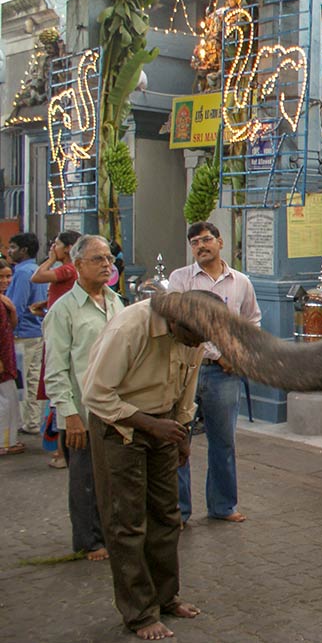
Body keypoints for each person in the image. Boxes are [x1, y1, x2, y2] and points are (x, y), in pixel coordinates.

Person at [82, 292, 218, 640]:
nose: (197, 345)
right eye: (192, 339)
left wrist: (182, 431)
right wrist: (149, 424)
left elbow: (186, 387)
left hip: (165, 424)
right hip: (119, 425)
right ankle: (140, 613)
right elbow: (96, 394)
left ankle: (165, 597)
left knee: (166, 516)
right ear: (174, 322)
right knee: (126, 522)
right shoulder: (130, 327)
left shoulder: (195, 330)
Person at [167, 221, 261, 526]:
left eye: (206, 240)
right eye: (194, 242)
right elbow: (179, 325)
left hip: (225, 376)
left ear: (220, 242)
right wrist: (219, 355)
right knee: (180, 440)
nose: (200, 246)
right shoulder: (180, 280)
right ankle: (179, 511)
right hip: (186, 371)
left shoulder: (241, 282)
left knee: (223, 442)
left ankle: (223, 505)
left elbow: (251, 322)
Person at [42, 235, 123, 563]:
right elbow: (56, 369)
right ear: (77, 266)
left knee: (113, 477)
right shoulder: (64, 311)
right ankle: (88, 540)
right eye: (98, 260)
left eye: (109, 259)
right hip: (82, 410)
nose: (107, 265)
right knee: (85, 478)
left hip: (115, 408)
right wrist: (70, 414)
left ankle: (110, 532)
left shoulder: (116, 301)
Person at [31, 228, 82, 469]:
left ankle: (62, 451)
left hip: (63, 337)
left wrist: (50, 260)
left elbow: (38, 277)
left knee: (59, 386)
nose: (54, 248)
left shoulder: (69, 268)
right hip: (57, 327)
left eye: (57, 245)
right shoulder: (71, 271)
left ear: (69, 248)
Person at [7, 232, 49, 438]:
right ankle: (32, 421)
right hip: (37, 331)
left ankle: (23, 421)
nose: (9, 251)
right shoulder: (38, 270)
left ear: (24, 250)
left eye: (13, 247)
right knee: (33, 379)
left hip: (21, 334)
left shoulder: (23, 273)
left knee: (20, 381)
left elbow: (16, 306)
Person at [0, 260, 23, 456]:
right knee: (6, 401)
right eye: (1, 277)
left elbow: (11, 326)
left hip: (7, 357)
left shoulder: (4, 301)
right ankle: (6, 442)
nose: (5, 280)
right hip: (2, 361)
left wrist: (12, 309)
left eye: (8, 276)